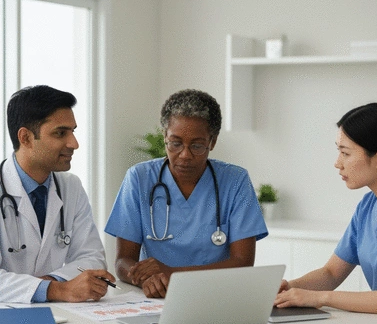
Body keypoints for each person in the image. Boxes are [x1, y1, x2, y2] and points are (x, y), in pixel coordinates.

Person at [105, 89, 268, 298]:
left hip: (216, 295)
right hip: (157, 297)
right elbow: (123, 261)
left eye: (197, 146)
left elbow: (242, 263)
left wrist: (172, 275)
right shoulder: (139, 178)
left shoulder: (235, 181)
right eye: (175, 143)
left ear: (213, 142)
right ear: (165, 136)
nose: (185, 155)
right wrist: (147, 278)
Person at [275, 102, 377, 314]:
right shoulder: (366, 207)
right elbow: (331, 273)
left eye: (346, 153)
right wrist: (289, 289)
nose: (337, 163)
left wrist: (320, 298)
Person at [0, 85, 116, 303]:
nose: (74, 144)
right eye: (61, 133)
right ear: (25, 137)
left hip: (59, 313)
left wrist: (49, 282)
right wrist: (57, 290)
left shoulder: (70, 186)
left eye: (73, 131)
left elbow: (92, 258)